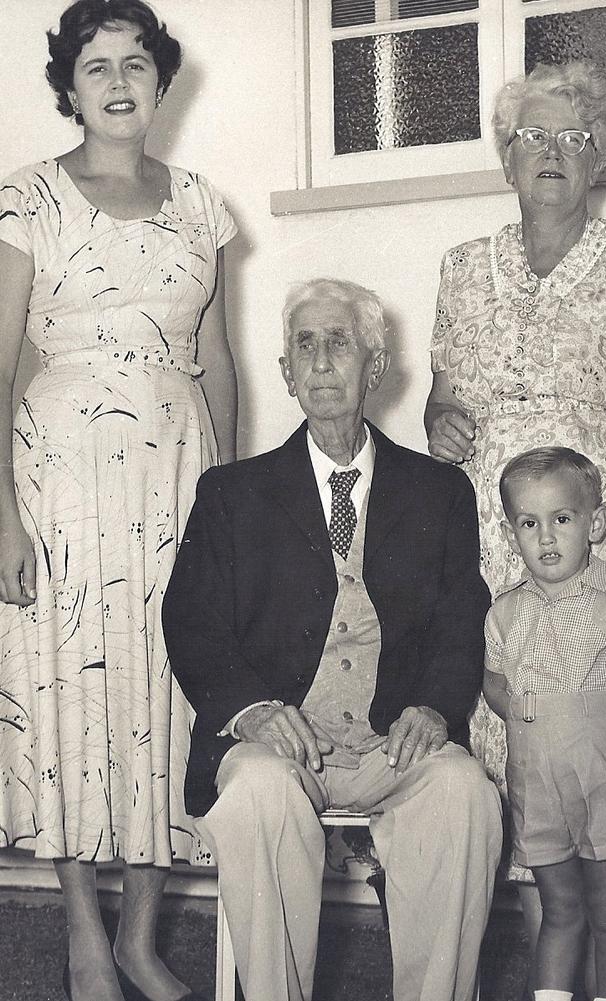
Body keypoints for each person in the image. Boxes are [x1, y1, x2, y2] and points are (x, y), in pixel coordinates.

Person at [163, 278, 503, 1001]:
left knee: (463, 792)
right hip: (280, 740)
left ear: (374, 369)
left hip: (390, 743)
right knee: (256, 789)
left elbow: (458, 617)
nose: (320, 362)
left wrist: (436, 708)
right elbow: (191, 618)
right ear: (285, 372)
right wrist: (250, 708)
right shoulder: (232, 493)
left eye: (339, 342)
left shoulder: (437, 492)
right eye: (304, 345)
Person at [0, 2, 237, 1000]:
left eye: (134, 61)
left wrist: (230, 505)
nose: (116, 80)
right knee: (68, 689)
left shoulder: (200, 207)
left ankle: (142, 937)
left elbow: (216, 362)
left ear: (158, 78)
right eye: (95, 65)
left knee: (165, 694)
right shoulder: (28, 199)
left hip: (175, 476)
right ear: (70, 87)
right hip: (59, 480)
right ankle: (84, 941)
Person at [424, 59, 606, 958]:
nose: (552, 153)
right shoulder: (462, 267)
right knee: (511, 727)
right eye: (532, 138)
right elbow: (441, 403)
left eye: (573, 137)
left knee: (604, 719)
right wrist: (439, 421)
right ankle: (538, 952)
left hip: (601, 517)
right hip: (492, 524)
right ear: (505, 158)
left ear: (598, 157)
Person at [484, 446, 606, 1001]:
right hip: (539, 780)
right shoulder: (504, 613)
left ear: (596, 523)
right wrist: (540, 728)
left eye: (562, 519)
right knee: (560, 911)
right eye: (529, 523)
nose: (547, 538)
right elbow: (495, 687)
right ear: (511, 535)